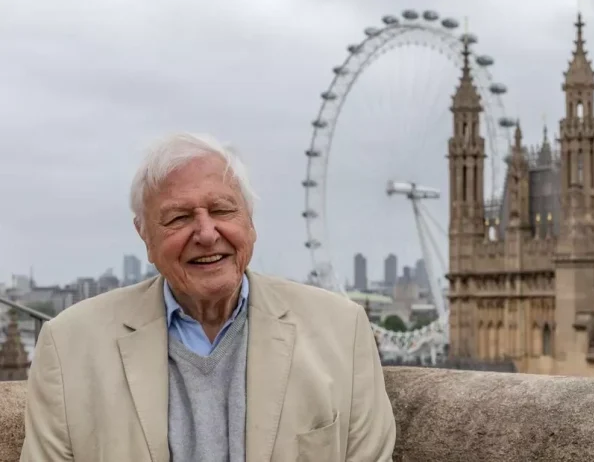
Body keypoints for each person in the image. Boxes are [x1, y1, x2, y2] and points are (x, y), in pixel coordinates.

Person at [20, 133, 396, 462]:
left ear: (250, 221)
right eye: (178, 218)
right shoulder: (69, 345)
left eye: (221, 210)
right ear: (145, 237)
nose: (205, 233)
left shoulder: (342, 331)